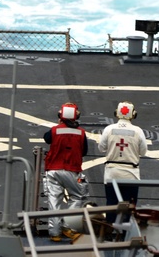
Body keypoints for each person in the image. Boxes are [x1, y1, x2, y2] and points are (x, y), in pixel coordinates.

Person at [43, 102, 90, 243]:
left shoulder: (55, 130)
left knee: (54, 201)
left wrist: (59, 125)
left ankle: (54, 232)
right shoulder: (81, 133)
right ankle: (68, 227)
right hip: (72, 170)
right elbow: (84, 151)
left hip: (53, 170)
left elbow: (46, 139)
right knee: (77, 197)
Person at [98, 101, 147, 222]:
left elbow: (101, 148)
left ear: (116, 113)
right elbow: (143, 152)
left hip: (111, 172)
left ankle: (109, 232)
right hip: (131, 174)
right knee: (129, 206)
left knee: (111, 204)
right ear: (134, 114)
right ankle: (126, 233)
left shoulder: (109, 129)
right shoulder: (138, 131)